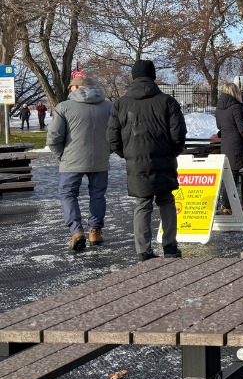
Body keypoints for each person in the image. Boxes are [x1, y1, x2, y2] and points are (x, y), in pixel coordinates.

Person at [108, 60, 187, 261]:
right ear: (153, 76)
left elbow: (112, 136)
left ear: (134, 77)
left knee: (142, 204)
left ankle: (143, 250)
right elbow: (178, 133)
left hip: (137, 162)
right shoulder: (167, 101)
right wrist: (173, 151)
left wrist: (127, 154)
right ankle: (170, 247)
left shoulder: (120, 103)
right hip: (164, 158)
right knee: (166, 200)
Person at [46, 74, 113, 252]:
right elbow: (117, 134)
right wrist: (107, 151)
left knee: (68, 193)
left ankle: (76, 231)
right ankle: (95, 231)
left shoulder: (64, 107)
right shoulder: (109, 107)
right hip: (100, 160)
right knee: (98, 194)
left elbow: (54, 136)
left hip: (71, 160)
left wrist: (61, 155)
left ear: (75, 88)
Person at [215, 82, 243, 214]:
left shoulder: (218, 108)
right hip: (236, 144)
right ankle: (227, 205)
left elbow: (219, 127)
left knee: (228, 175)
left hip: (225, 144)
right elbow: (242, 129)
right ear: (235, 92)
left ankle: (227, 204)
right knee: (233, 177)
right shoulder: (236, 107)